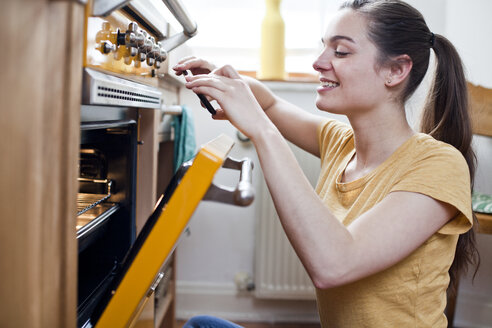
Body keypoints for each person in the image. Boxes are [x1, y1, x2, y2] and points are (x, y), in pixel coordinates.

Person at [173, 0, 480, 326]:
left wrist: (262, 131)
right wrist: (225, 81)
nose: (319, 63)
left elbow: (334, 264)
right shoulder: (341, 142)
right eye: (323, 49)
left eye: (341, 52)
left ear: (396, 70)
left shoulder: (439, 165)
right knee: (200, 324)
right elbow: (271, 102)